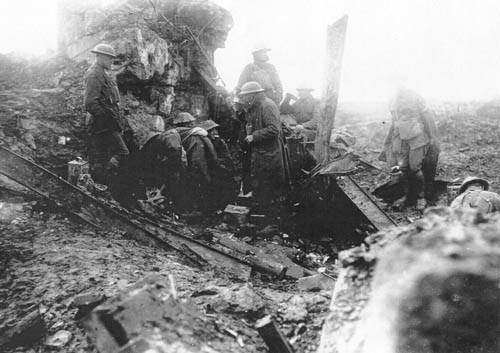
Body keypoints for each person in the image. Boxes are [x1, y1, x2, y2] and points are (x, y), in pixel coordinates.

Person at [379, 87, 440, 210]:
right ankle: (407, 196)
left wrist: (433, 136)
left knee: (415, 168)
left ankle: (421, 197)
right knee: (403, 168)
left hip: (416, 137)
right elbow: (393, 122)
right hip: (400, 139)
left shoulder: (416, 96)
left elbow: (427, 117)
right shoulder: (392, 100)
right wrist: (388, 140)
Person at [238, 81, 289, 212]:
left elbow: (274, 129)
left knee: (269, 184)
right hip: (262, 152)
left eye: (245, 96)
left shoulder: (267, 106)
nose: (244, 99)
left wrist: (254, 136)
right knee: (261, 182)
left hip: (270, 152)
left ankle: (271, 217)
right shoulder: (257, 106)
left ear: (253, 95)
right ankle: (261, 211)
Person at [84, 43, 129, 184]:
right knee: (122, 152)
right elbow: (90, 103)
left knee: (103, 157)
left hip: (107, 124)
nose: (112, 61)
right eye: (110, 58)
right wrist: (108, 120)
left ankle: (103, 186)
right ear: (101, 57)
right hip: (102, 126)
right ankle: (101, 184)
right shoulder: (94, 74)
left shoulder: (103, 74)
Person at [173, 112, 219, 212]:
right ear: (188, 124)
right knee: (202, 186)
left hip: (183, 167)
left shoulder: (174, 134)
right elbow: (204, 156)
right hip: (197, 165)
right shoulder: (197, 135)